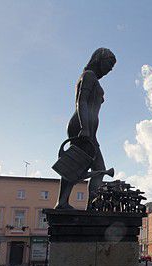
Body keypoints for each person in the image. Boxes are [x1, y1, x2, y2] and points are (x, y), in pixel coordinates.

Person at [55, 48, 116, 209]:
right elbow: (81, 102)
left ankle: (91, 206)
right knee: (76, 165)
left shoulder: (93, 78)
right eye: (109, 64)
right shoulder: (88, 75)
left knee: (94, 168)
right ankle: (63, 203)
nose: (110, 69)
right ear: (99, 60)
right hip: (81, 126)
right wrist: (85, 128)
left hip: (89, 128)